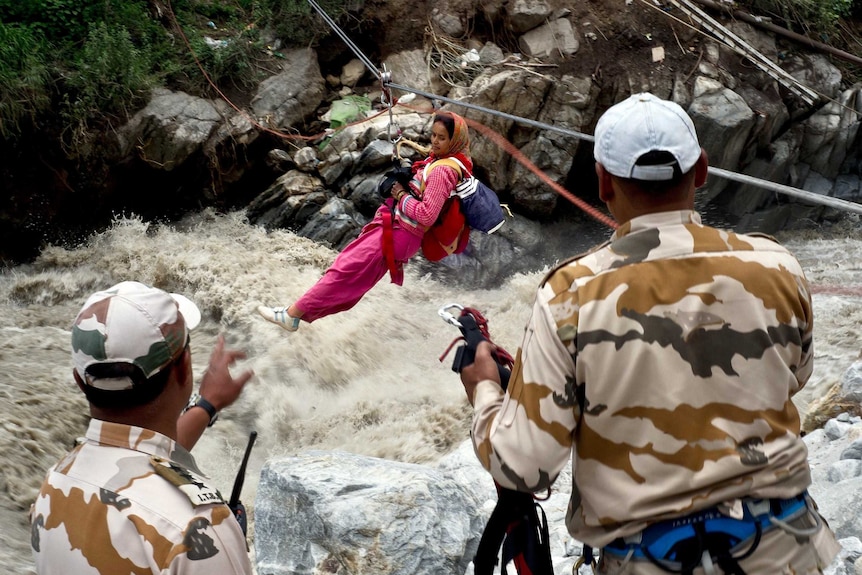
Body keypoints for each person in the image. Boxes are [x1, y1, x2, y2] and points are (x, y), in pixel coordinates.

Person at [459, 93, 841, 574]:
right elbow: (796, 373)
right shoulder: (777, 265)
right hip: (789, 552)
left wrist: (486, 390)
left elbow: (524, 465)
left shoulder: (569, 294)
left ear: (601, 182)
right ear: (701, 170)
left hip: (650, 561)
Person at [30, 281, 255, 574]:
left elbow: (141, 454)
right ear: (186, 367)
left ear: (79, 380)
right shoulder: (197, 529)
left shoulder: (54, 484)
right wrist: (230, 545)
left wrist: (208, 405)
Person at [256, 110, 473, 331]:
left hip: (399, 232)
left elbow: (427, 214)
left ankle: (292, 315)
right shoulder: (445, 162)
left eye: (442, 138)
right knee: (351, 281)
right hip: (400, 232)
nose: (434, 141)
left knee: (343, 272)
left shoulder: (443, 171)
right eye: (433, 135)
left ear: (454, 141)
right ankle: (297, 314)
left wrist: (400, 195)